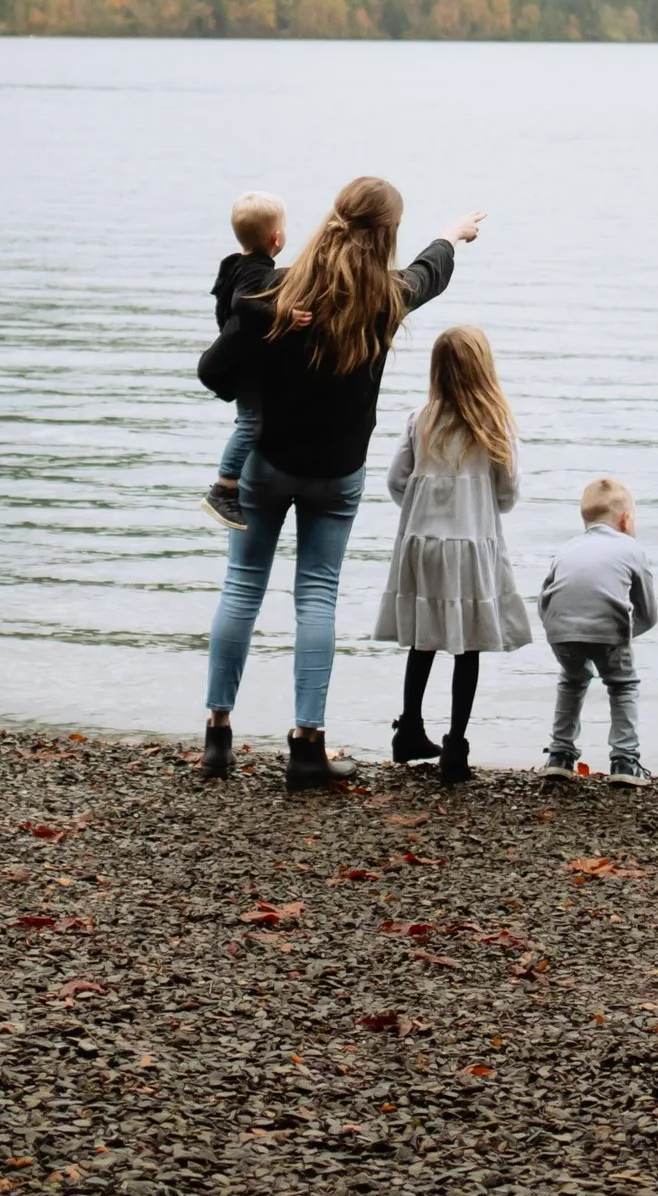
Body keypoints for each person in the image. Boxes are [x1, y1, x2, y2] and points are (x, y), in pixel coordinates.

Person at [197, 174, 484, 791]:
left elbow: (216, 366)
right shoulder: (387, 296)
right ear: (387, 235)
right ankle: (307, 745)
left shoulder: (279, 285)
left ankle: (218, 735)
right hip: (336, 474)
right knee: (317, 598)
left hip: (266, 464)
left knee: (242, 588)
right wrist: (449, 236)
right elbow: (431, 272)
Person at [375, 324, 529, 786]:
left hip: (421, 543)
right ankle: (456, 748)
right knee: (468, 646)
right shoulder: (493, 427)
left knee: (424, 638)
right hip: (469, 545)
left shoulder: (420, 419)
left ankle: (409, 729)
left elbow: (395, 481)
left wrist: (423, 512)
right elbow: (508, 492)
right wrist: (476, 507)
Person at [538, 475, 658, 782]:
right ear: (626, 519)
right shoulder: (632, 549)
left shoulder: (567, 548)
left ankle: (560, 755)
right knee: (622, 685)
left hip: (559, 627)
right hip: (609, 629)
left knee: (572, 680)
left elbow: (545, 598)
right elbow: (648, 612)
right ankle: (625, 761)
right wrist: (624, 635)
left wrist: (559, 631)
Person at [201, 192, 287, 526]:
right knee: (251, 423)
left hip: (237, 359)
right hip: (243, 365)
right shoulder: (255, 270)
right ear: (276, 238)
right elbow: (243, 304)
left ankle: (233, 480)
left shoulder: (236, 264)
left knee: (250, 420)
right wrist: (283, 313)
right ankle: (224, 487)